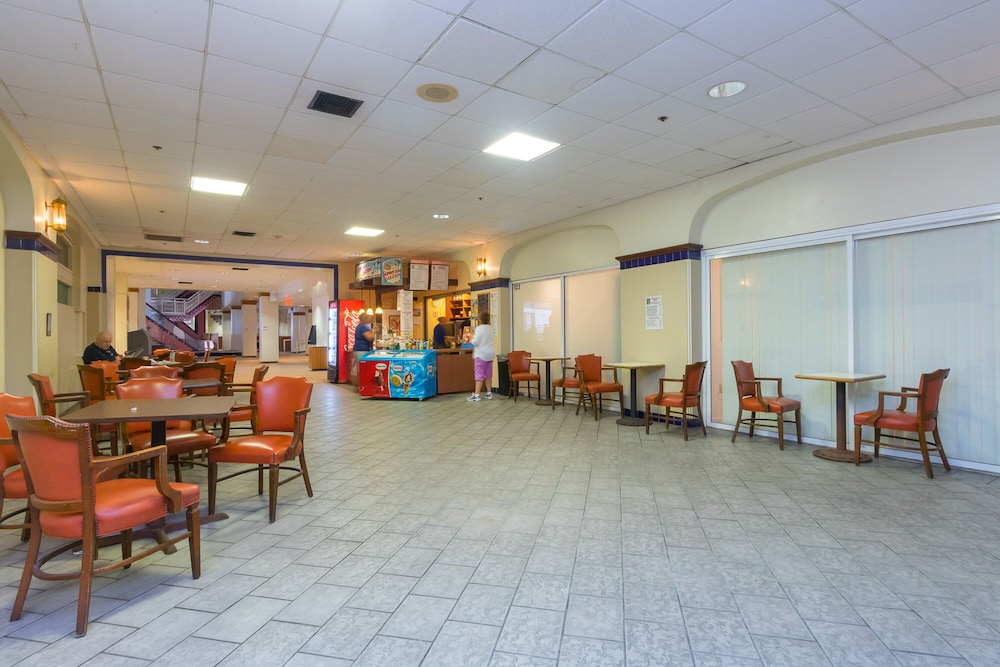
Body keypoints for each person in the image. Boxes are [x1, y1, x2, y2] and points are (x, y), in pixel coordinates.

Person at [467, 312, 495, 402]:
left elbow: (475, 342)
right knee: (488, 374)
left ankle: (477, 395)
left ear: (479, 319)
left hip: (481, 354)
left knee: (479, 374)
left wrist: (471, 338)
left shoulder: (479, 329)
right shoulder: (491, 328)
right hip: (490, 354)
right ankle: (489, 393)